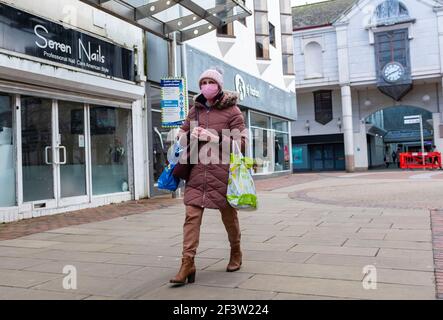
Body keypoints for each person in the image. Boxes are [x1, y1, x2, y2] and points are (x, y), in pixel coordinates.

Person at [170, 68, 248, 285]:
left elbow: (241, 144)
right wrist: (186, 135)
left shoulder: (233, 111)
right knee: (191, 217)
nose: (206, 85)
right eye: (203, 81)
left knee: (229, 217)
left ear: (219, 85)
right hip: (196, 172)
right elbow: (181, 137)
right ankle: (187, 263)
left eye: (210, 81)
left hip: (222, 173)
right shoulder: (194, 111)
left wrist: (212, 136)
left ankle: (236, 251)